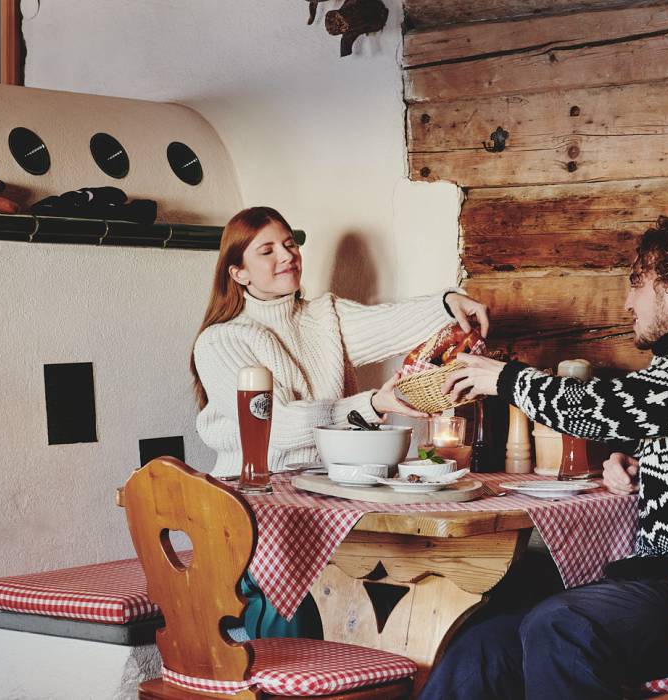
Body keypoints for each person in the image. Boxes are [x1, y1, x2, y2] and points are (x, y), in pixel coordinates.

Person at [423, 217, 668, 699]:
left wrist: (506, 379)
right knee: (481, 647)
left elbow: (607, 407)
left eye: (636, 283)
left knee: (561, 625)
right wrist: (647, 470)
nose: (628, 302)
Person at [190, 205, 489, 639]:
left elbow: (390, 322)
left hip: (324, 497)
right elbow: (273, 428)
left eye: (290, 244)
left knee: (383, 597)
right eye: (267, 251)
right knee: (290, 620)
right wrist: (371, 404)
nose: (287, 256)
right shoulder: (221, 341)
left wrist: (448, 303)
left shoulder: (322, 317)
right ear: (238, 273)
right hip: (251, 510)